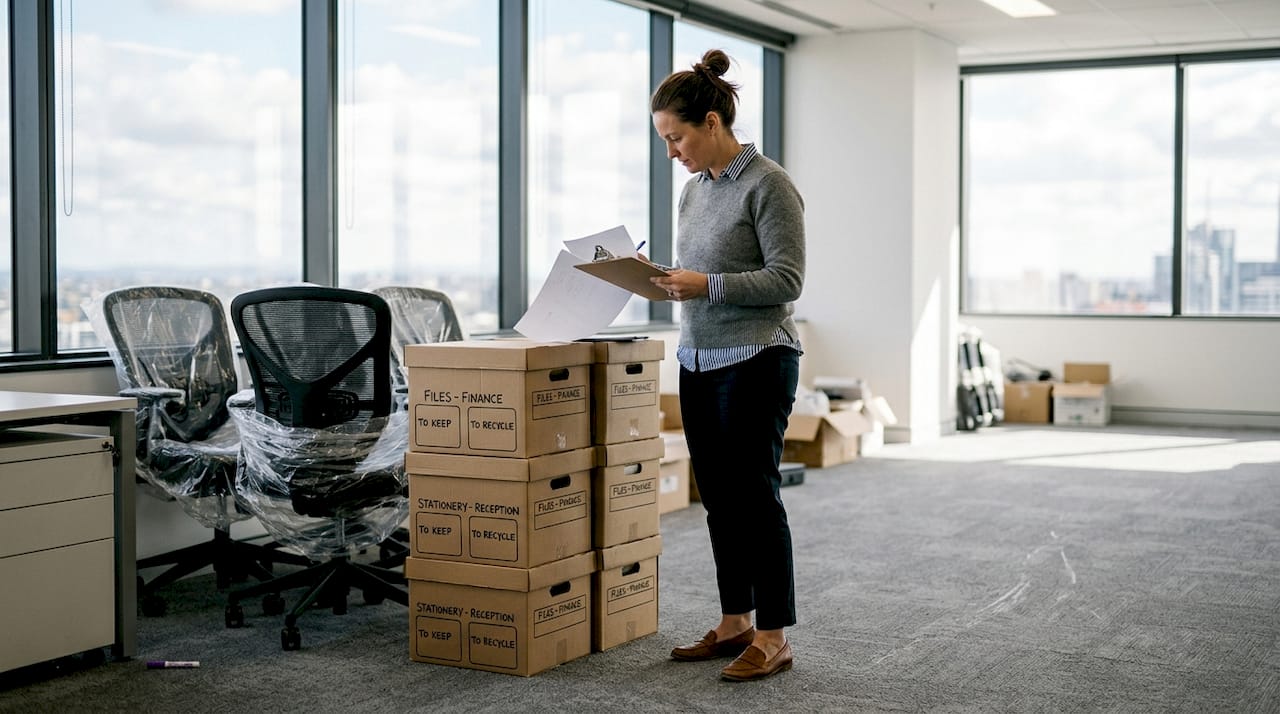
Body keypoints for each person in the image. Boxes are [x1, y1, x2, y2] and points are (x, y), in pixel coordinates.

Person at [648, 49, 805, 682]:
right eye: (664, 141)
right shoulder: (692, 194)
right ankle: (736, 619)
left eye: (676, 137)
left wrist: (704, 284)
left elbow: (786, 280)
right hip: (699, 358)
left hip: (758, 356)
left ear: (712, 123)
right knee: (717, 499)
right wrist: (664, 280)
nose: (673, 152)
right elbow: (704, 274)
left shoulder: (768, 184)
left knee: (754, 497)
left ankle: (774, 634)